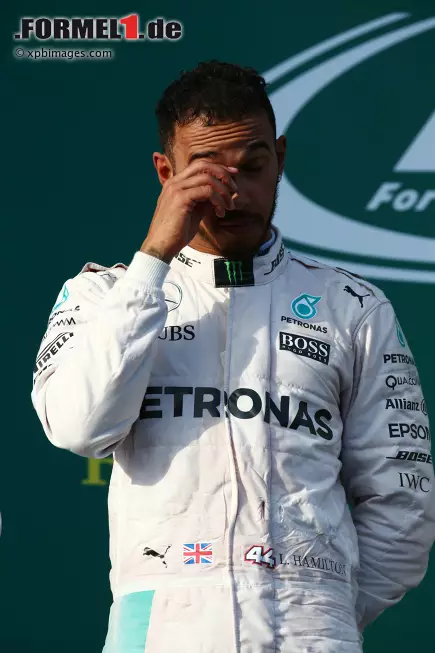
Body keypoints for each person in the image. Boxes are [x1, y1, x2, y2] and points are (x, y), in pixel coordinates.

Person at [31, 61, 435, 653]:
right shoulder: (101, 295)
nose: (236, 192)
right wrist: (153, 259)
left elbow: (404, 499)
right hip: (158, 632)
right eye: (209, 173)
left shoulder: (353, 307)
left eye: (253, 166)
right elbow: (78, 428)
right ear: (166, 173)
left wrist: (319, 611)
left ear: (281, 159)